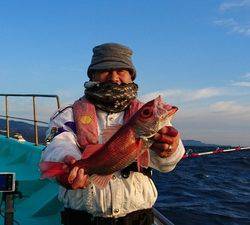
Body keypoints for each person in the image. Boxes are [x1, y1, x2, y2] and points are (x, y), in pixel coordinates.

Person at [41, 43, 185, 225]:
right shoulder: (68, 114)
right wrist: (65, 160)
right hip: (82, 218)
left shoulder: (145, 116)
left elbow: (166, 164)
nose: (114, 77)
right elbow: (58, 143)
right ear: (92, 74)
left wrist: (170, 150)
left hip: (138, 218)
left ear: (131, 76)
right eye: (105, 70)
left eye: (122, 71)